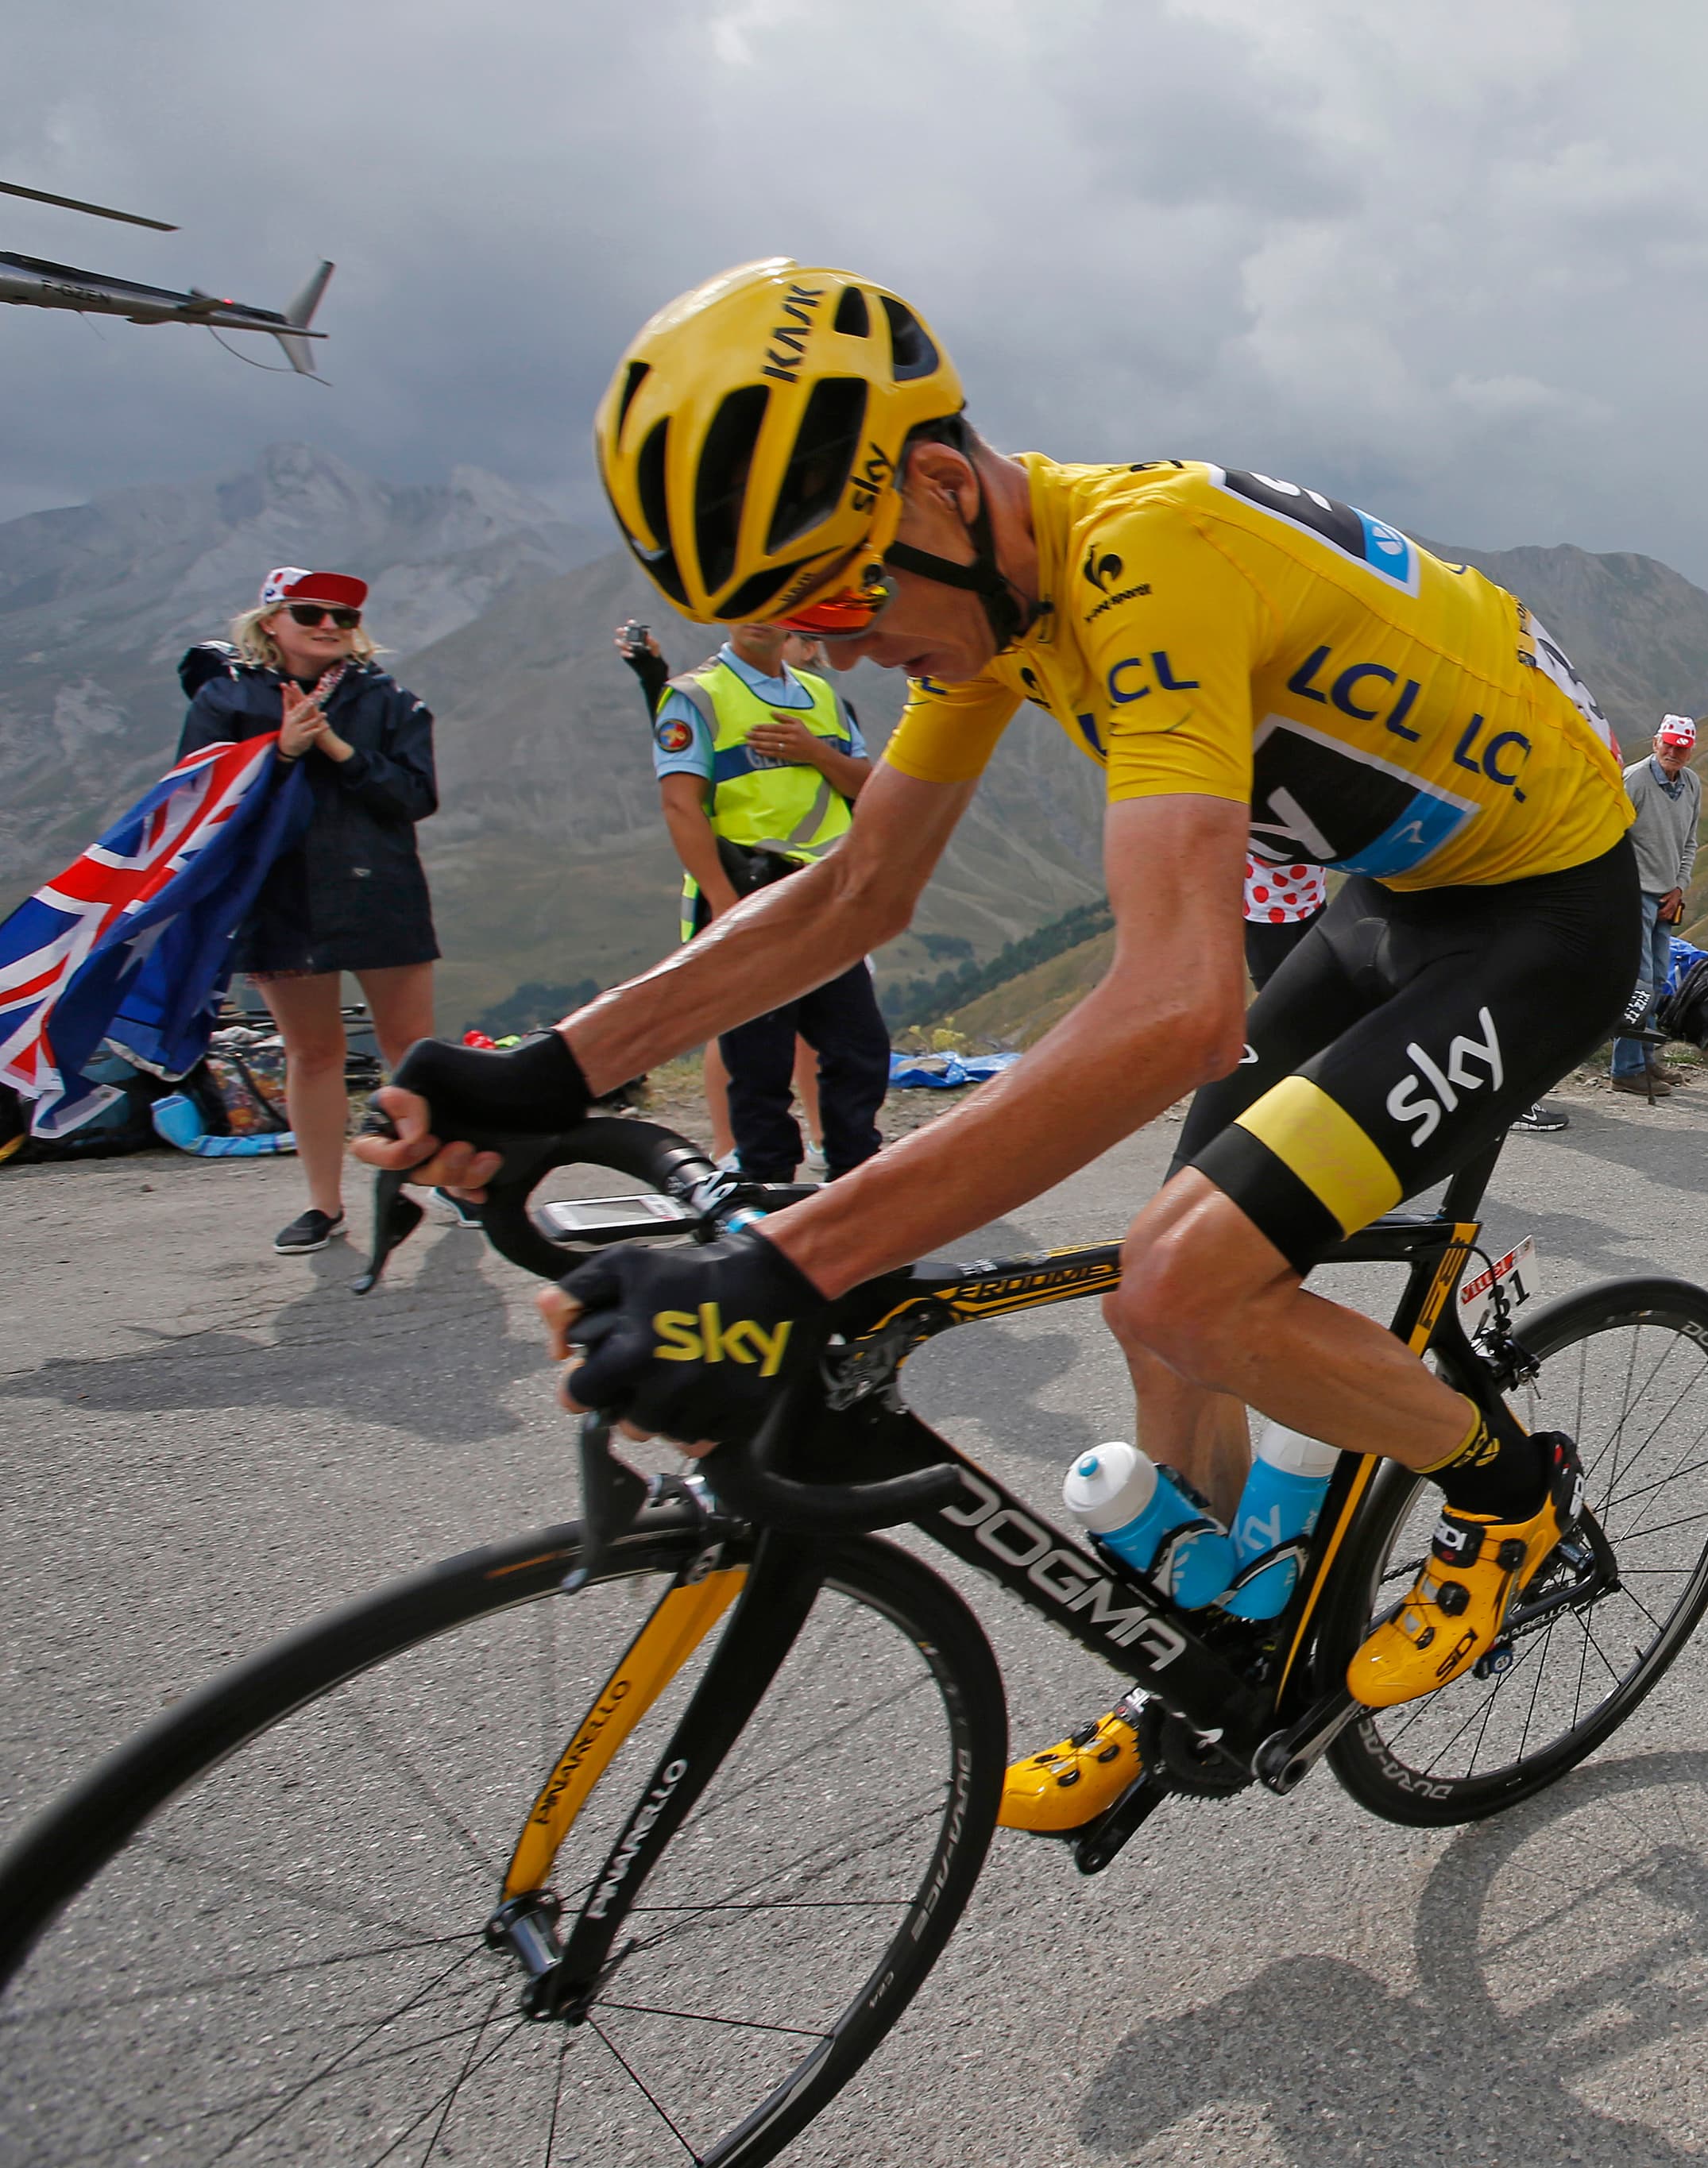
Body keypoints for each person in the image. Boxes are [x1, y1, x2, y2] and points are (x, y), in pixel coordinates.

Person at [360, 260, 1640, 1834]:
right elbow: (858, 888)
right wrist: (552, 1068)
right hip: (1399, 896)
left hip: (1543, 920)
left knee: (1187, 1274)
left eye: (841, 604)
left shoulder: (1146, 563)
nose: (837, 654)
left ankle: (1505, 1494)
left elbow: (1179, 1005)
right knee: (1155, 1303)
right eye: (798, 628)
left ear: (947, 487)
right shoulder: (993, 597)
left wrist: (785, 1264)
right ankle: (1207, 1650)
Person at [178, 567, 441, 1256]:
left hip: (378, 885)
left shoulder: (390, 699)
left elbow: (416, 794)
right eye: (310, 613)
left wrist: (341, 752)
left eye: (345, 617)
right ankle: (323, 1205)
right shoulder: (224, 697)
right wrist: (282, 751)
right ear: (270, 621)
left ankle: (453, 1180)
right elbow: (197, 798)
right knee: (313, 1051)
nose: (329, 626)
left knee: (409, 1049)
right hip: (279, 896)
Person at [648, 618, 891, 1185]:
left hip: (824, 894)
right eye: (744, 606)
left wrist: (812, 751)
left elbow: (866, 784)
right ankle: (767, 1180)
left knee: (857, 1046)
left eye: (771, 605)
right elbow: (681, 806)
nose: (757, 617)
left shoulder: (820, 694)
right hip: (746, 891)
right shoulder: (694, 696)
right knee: (758, 1057)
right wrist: (723, 900)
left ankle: (856, 1171)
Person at [620, 621, 828, 1162]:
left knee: (813, 1020)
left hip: (818, 878)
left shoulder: (819, 700)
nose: (806, 645)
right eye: (805, 637)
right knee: (736, 1019)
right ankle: (730, 1146)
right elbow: (684, 771)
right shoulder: (712, 691)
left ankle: (822, 1138)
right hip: (743, 878)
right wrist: (722, 894)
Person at [1613, 714, 1704, 1100]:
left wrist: (1679, 888)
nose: (1673, 752)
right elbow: (1612, 833)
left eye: (1681, 747)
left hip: (1667, 897)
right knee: (1640, 983)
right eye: (1668, 744)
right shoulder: (1634, 780)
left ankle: (1647, 1060)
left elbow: (1690, 842)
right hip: (1634, 895)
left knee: (1658, 981)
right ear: (1655, 742)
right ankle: (1625, 1070)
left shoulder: (1692, 784)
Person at [1242, 854, 1327, 991]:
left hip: (1312, 897)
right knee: (1276, 992)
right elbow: (1272, 858)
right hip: (1267, 913)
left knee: (1324, 978)